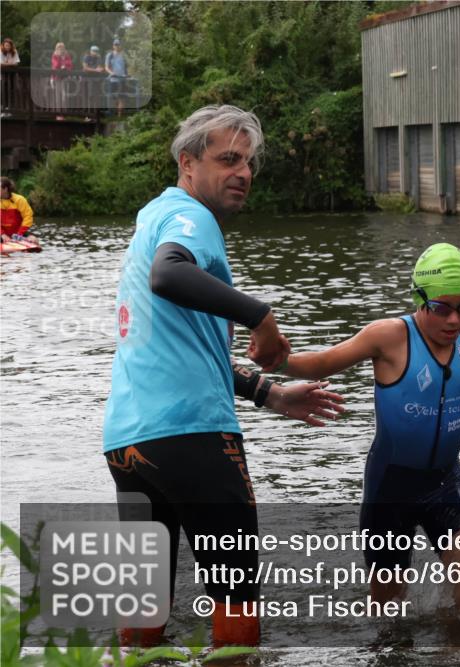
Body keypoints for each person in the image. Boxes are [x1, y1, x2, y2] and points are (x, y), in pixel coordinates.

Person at [103, 105, 344, 648]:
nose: (243, 172)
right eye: (228, 159)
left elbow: (184, 346)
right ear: (188, 163)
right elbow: (171, 275)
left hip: (129, 443)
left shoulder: (153, 215)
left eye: (249, 162)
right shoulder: (193, 219)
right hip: (194, 437)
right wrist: (260, 315)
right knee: (236, 592)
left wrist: (269, 392)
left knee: (143, 599)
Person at [280, 243, 460, 610]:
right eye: (441, 308)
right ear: (418, 298)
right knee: (388, 611)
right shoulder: (389, 336)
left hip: (444, 480)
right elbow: (322, 363)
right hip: (391, 487)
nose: (454, 320)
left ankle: (456, 656)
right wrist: (276, 359)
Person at [1, 176, 36, 243]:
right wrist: (2, 234)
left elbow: (28, 217)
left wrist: (19, 233)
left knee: (33, 240)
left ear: (5, 189)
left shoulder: (20, 200)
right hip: (2, 235)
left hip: (18, 234)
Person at [105, 38, 128, 116]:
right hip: (113, 79)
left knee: (121, 97)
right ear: (113, 46)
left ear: (120, 46)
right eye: (115, 45)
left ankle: (119, 115)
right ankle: (112, 113)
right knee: (112, 97)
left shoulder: (123, 55)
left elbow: (126, 67)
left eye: (118, 45)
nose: (117, 46)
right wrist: (112, 73)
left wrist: (126, 74)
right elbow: (106, 67)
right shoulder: (110, 55)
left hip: (122, 79)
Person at [50, 42, 73, 116]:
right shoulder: (54, 56)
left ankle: (64, 113)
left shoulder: (67, 55)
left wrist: (65, 66)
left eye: (62, 47)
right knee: (58, 96)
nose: (60, 49)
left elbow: (70, 65)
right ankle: (58, 113)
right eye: (59, 47)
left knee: (64, 96)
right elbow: (55, 66)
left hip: (65, 78)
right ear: (56, 48)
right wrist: (59, 58)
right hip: (57, 77)